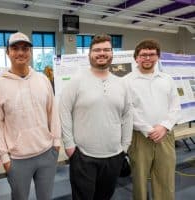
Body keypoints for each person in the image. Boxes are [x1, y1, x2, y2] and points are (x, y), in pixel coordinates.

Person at [0, 32, 61, 200]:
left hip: (46, 153)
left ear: (30, 52)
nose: (20, 52)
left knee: (46, 197)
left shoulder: (42, 79)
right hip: (17, 159)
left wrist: (56, 143)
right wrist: (4, 157)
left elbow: (53, 112)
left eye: (25, 48)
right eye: (15, 48)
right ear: (7, 52)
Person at [59, 34, 133, 200]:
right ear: (89, 54)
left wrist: (125, 146)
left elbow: (128, 115)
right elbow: (63, 112)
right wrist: (69, 146)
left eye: (106, 49)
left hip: (114, 155)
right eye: (97, 50)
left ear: (112, 53)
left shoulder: (121, 84)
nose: (102, 53)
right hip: (83, 156)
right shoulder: (76, 82)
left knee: (104, 197)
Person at [125, 39, 180, 200]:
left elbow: (175, 107)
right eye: (143, 55)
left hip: (165, 136)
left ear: (158, 57)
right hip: (139, 138)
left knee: (166, 179)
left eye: (151, 54)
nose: (147, 58)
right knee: (140, 181)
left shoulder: (167, 79)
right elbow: (128, 111)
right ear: (136, 58)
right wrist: (148, 129)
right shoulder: (126, 81)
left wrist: (164, 127)